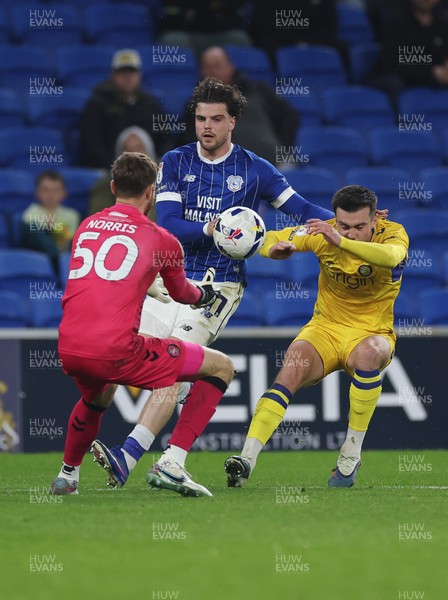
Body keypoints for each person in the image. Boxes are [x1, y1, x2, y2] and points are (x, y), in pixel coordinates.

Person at [89, 76, 340, 495]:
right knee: (134, 359)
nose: (206, 126)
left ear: (233, 122)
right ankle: (110, 463)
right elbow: (167, 225)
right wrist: (213, 227)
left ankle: (133, 456)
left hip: (218, 286)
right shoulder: (176, 161)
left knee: (175, 367)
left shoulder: (256, 169)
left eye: (216, 119)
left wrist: (349, 226)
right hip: (166, 281)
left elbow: (301, 210)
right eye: (201, 118)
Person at [49, 151, 235, 497]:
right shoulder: (162, 240)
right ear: (151, 192)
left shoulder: (86, 226)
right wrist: (205, 296)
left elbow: (103, 280)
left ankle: (67, 476)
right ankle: (171, 462)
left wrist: (144, 281)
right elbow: (183, 294)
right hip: (117, 350)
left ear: (113, 186)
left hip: (70, 347)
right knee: (221, 367)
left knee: (98, 395)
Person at [224, 185, 409, 489]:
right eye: (344, 226)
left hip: (371, 331)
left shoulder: (392, 234)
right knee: (290, 370)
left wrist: (340, 241)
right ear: (335, 218)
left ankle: (350, 454)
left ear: (375, 220)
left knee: (368, 354)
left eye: (360, 227)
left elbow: (391, 257)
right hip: (325, 328)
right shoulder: (324, 233)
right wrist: (273, 249)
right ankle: (246, 460)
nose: (350, 233)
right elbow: (267, 238)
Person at [179, 47, 300, 166]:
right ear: (201, 71)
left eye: (217, 66)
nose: (212, 72)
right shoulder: (195, 104)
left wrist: (281, 147)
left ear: (231, 67)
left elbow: (289, 117)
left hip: (274, 163)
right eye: (207, 67)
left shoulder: (258, 89)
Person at [79, 49, 169, 169]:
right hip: (110, 171)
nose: (128, 77)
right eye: (122, 72)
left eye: (132, 72)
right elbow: (92, 145)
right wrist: (115, 168)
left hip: (149, 168)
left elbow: (166, 138)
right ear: (113, 75)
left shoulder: (151, 104)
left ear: (139, 74)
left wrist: (159, 162)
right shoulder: (97, 105)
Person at [368, 0, 448, 108]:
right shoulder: (394, 20)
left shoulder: (443, 22)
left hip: (433, 76)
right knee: (394, 83)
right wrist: (431, 73)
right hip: (400, 79)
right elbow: (392, 62)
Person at [88, 126, 157, 217]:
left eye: (139, 148)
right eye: (128, 150)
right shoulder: (104, 186)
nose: (134, 155)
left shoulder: (166, 182)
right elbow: (99, 217)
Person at [21, 171, 80, 275]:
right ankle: (56, 258)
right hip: (40, 254)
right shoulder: (31, 212)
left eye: (55, 190)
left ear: (64, 193)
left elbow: (69, 242)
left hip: (64, 252)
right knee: (31, 227)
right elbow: (33, 238)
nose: (51, 195)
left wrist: (53, 228)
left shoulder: (72, 215)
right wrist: (50, 229)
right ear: (37, 193)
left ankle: (59, 260)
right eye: (45, 190)